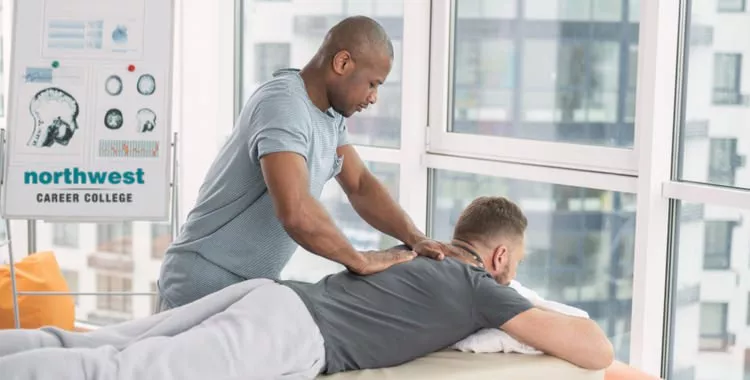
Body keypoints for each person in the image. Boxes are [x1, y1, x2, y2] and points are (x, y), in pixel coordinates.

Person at [0, 196, 614, 380]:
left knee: (102, 342)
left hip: (276, 295)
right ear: (501, 254)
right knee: (121, 374)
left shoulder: (418, 254)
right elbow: (596, 351)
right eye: (518, 261)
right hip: (294, 332)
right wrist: (523, 299)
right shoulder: (480, 285)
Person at [156, 15, 450, 310]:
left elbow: (360, 185)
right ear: (343, 63)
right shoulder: (284, 104)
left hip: (248, 286)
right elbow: (295, 210)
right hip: (202, 278)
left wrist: (415, 237)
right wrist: (358, 260)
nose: (373, 97)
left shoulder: (329, 115)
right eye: (372, 83)